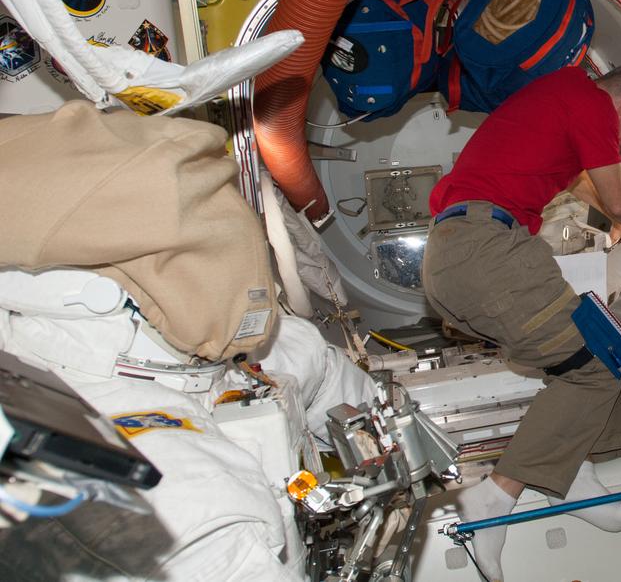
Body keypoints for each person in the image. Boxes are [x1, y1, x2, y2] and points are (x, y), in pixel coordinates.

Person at [0, 101, 375, 581]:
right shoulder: (166, 504)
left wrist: (378, 446)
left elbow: (321, 372)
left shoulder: (229, 351)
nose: (239, 270)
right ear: (89, 288)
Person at [423, 62, 621, 581]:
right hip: (487, 249)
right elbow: (619, 198)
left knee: (606, 345)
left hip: (457, 256)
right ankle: (494, 499)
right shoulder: (592, 105)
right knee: (596, 364)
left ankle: (574, 470)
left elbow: (588, 189)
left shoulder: (562, 95)